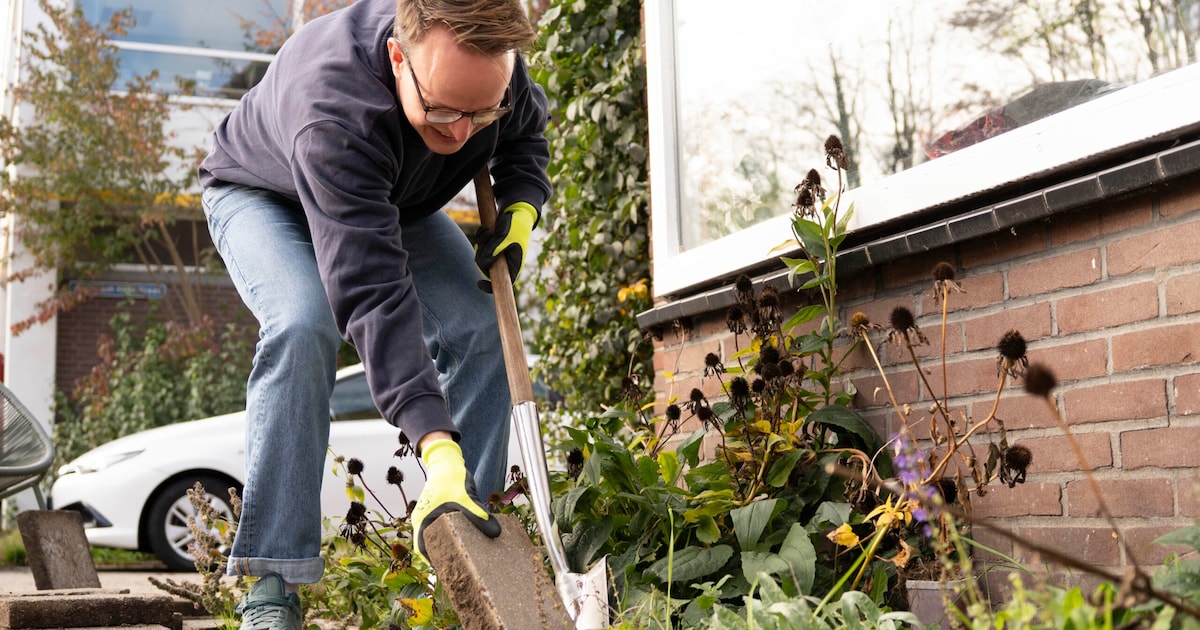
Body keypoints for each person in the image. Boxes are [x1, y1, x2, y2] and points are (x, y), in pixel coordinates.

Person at [197, 0, 550, 626]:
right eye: (441, 109)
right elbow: (372, 293)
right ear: (397, 56)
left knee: (479, 327)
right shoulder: (333, 106)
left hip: (395, 202)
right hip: (262, 194)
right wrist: (436, 446)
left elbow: (523, 138)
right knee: (304, 325)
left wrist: (521, 211)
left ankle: (464, 544)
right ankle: (273, 580)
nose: (462, 133)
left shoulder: (494, 72)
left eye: (481, 112)